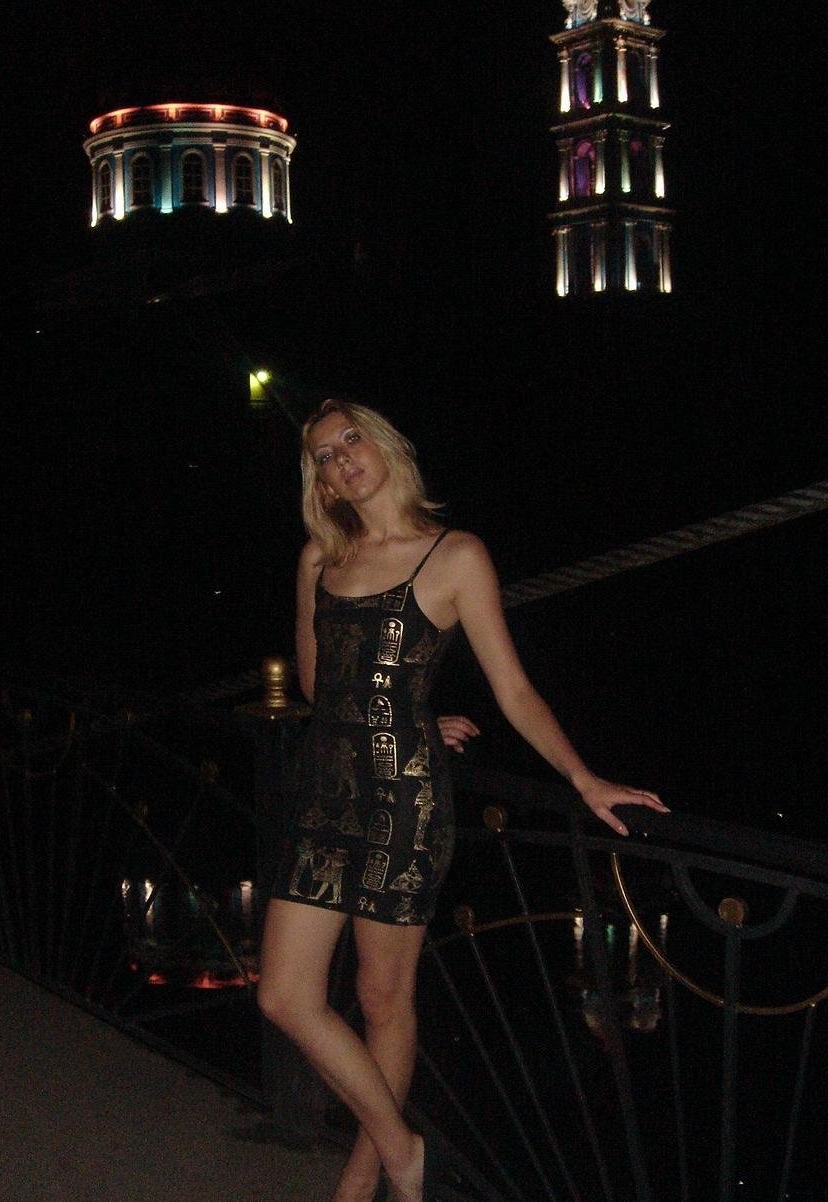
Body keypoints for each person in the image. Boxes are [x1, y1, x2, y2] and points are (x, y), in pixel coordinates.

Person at [257, 399, 668, 1202]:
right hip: (324, 794)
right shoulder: (319, 558)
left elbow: (512, 690)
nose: (342, 459)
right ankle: (405, 1150)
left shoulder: (455, 556)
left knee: (382, 996)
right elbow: (317, 687)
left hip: (403, 800)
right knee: (284, 995)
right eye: (324, 456)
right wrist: (402, 702)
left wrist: (583, 778)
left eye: (351, 440)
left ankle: (361, 1183)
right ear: (320, 482)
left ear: (385, 445)